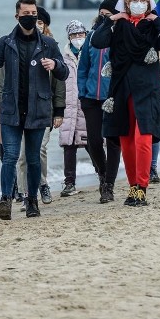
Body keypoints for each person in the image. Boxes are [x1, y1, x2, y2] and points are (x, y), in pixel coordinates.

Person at [0, 0, 68, 220]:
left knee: (33, 159)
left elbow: (64, 74)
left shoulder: (48, 44)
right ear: (17, 16)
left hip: (38, 110)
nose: (31, 16)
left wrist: (55, 65)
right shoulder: (6, 43)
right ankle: (5, 199)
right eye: (26, 13)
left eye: (34, 13)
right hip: (11, 111)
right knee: (10, 157)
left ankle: (32, 200)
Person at [91, 0, 160, 206]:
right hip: (121, 88)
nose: (138, 2)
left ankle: (142, 187)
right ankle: (132, 187)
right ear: (127, 3)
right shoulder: (118, 25)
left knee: (143, 138)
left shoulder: (152, 26)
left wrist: (157, 20)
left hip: (148, 88)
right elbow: (96, 41)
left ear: (149, 3)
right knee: (126, 141)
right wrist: (112, 19)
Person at [13, 7, 61, 206]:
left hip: (44, 110)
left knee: (39, 150)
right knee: (22, 156)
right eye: (33, 20)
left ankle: (42, 184)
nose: (36, 24)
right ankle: (26, 194)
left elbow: (60, 81)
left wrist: (59, 110)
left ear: (45, 25)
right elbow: (3, 78)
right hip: (20, 110)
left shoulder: (51, 47)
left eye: (40, 21)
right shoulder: (14, 45)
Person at [78, 0, 121, 203]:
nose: (104, 18)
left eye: (108, 14)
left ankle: (109, 186)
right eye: (101, 14)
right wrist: (81, 91)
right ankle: (102, 174)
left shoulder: (120, 36)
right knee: (94, 141)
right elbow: (83, 66)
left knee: (113, 141)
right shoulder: (91, 36)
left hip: (112, 97)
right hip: (90, 98)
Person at [59, 20, 90, 196]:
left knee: (92, 143)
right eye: (74, 35)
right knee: (68, 145)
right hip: (68, 107)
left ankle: (103, 175)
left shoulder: (91, 53)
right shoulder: (62, 57)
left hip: (86, 106)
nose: (78, 38)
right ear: (69, 37)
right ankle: (69, 182)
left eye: (80, 34)